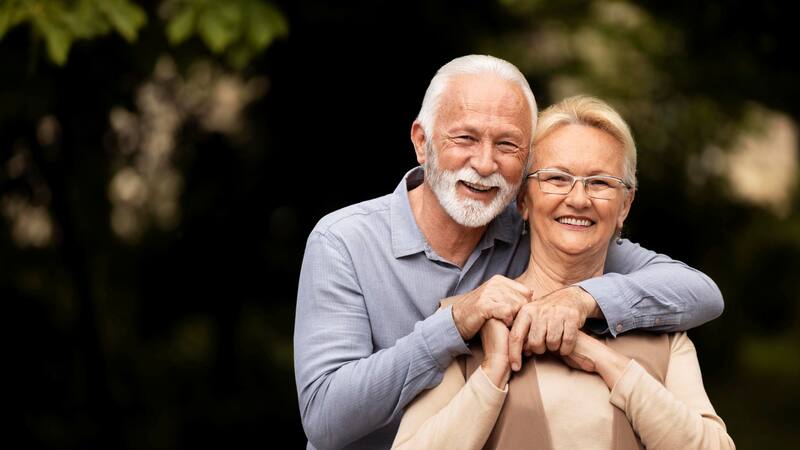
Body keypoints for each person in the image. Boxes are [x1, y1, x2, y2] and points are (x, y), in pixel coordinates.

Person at [294, 55, 724, 450]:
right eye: (465, 137)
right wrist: (454, 326)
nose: (484, 163)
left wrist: (581, 299)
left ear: (523, 180)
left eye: (507, 145)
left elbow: (700, 292)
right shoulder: (344, 242)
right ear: (422, 142)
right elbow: (326, 419)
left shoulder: (539, 230)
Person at [392, 95, 734, 450]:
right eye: (557, 178)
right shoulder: (467, 321)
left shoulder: (662, 333)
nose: (579, 199)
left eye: (600, 182)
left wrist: (606, 361)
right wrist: (493, 370)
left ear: (625, 206)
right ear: (523, 199)